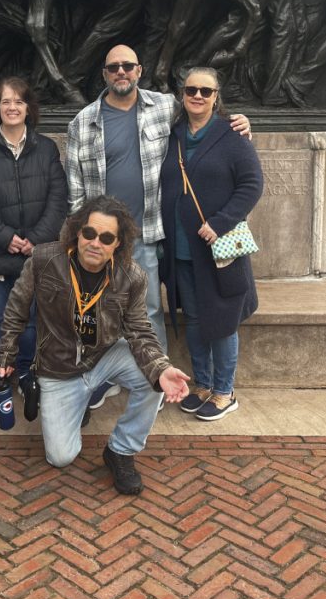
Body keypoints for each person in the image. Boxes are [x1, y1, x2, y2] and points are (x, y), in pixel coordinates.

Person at [65, 43, 251, 408]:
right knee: (100, 310)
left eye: (128, 66)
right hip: (100, 241)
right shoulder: (82, 122)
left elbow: (204, 118)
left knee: (148, 311)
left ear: (139, 71)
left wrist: (239, 123)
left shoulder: (164, 107)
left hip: (146, 234)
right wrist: (81, 240)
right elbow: (75, 191)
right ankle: (109, 377)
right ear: (104, 74)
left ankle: (154, 378)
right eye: (113, 67)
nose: (121, 72)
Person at [0, 195, 190, 495]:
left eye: (106, 238)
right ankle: (76, 404)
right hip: (58, 368)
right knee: (60, 457)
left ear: (118, 244)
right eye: (89, 233)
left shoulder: (132, 277)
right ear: (77, 232)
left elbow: (140, 330)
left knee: (156, 376)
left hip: (103, 356)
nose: (95, 243)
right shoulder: (44, 260)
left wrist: (162, 369)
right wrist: (6, 353)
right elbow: (16, 309)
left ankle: (121, 450)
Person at [160, 67, 263, 420]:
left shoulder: (232, 135)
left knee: (221, 322)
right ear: (182, 94)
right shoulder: (173, 136)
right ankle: (202, 384)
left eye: (206, 91)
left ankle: (224, 392)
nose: (198, 96)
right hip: (181, 251)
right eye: (191, 90)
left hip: (218, 252)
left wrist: (219, 223)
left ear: (217, 96)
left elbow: (252, 185)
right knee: (194, 319)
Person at [0, 77, 68, 406]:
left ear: (28, 108)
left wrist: (35, 240)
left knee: (32, 320)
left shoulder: (46, 148)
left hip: (34, 257)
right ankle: (1, 376)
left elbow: (58, 198)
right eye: (5, 101)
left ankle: (25, 372)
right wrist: (6, 237)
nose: (12, 107)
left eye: (18, 101)